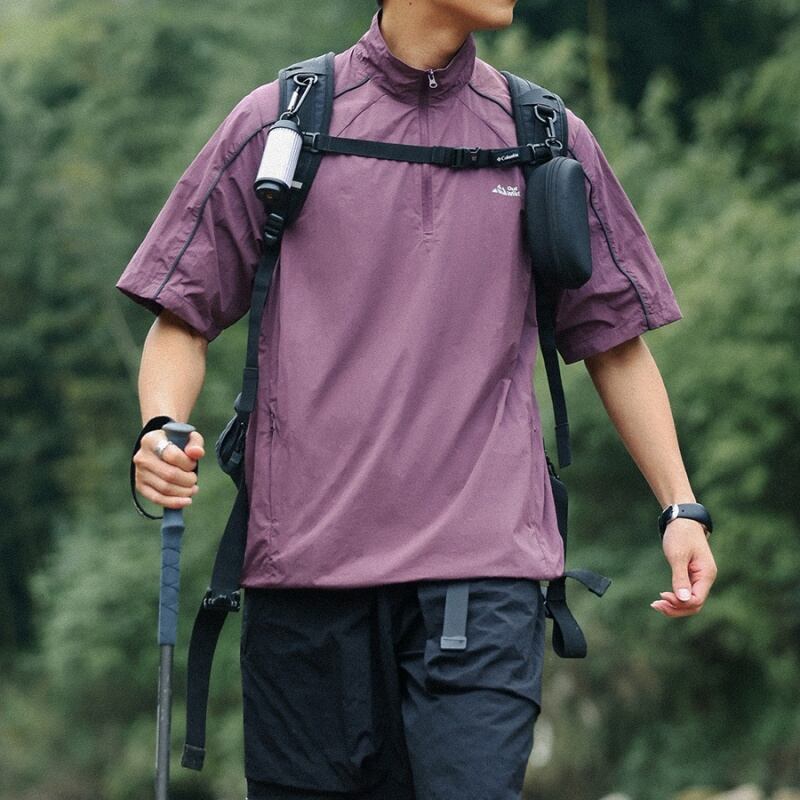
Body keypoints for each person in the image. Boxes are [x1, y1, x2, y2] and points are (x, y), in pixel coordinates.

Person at [119, 1, 718, 798]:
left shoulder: (543, 135)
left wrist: (680, 507)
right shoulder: (281, 124)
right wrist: (160, 428)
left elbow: (615, 341)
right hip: (306, 575)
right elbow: (181, 319)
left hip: (482, 570)